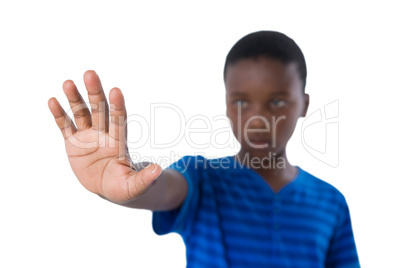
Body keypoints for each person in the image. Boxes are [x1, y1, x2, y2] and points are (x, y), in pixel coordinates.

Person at [48, 31, 360, 267]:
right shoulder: (203, 178)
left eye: (277, 101)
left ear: (303, 104)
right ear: (226, 106)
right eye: (241, 102)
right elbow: (164, 188)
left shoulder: (331, 203)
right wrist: (122, 183)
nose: (258, 120)